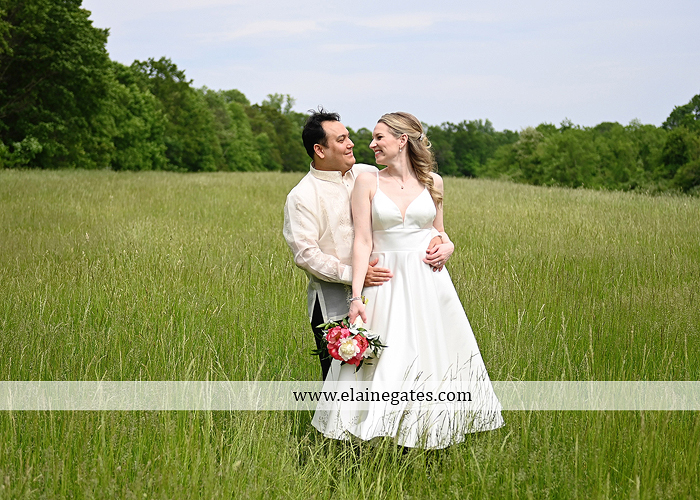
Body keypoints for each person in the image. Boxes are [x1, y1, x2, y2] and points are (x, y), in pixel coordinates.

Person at [311, 112, 504, 449]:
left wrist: (448, 245)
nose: (371, 144)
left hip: (429, 283)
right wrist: (355, 298)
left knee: (432, 356)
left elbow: (438, 231)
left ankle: (428, 433)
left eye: (379, 137)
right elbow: (362, 242)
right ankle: (375, 435)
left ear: (402, 140)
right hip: (385, 284)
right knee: (387, 359)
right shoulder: (367, 182)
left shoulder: (434, 182)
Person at [283, 109, 453, 380]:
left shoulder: (368, 174)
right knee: (341, 381)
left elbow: (417, 218)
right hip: (334, 304)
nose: (351, 144)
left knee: (392, 370)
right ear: (319, 150)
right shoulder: (302, 196)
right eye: (341, 140)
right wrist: (356, 276)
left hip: (385, 295)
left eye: (348, 136)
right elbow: (306, 255)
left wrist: (445, 242)